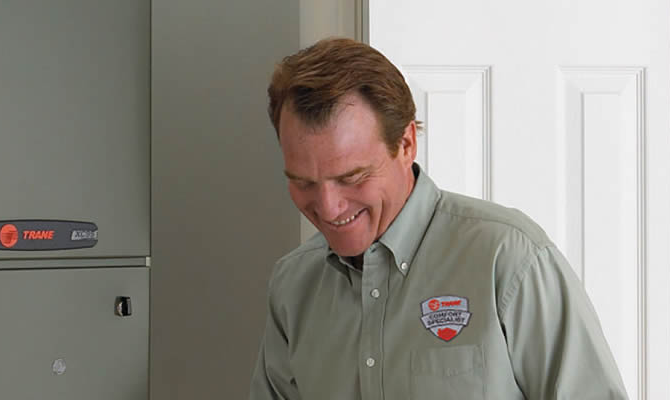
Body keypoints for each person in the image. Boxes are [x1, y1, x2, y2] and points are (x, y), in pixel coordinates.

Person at [249, 37, 628, 400]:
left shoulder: (509, 259)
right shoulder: (293, 287)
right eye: (304, 183)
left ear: (406, 143)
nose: (328, 207)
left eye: (352, 177)